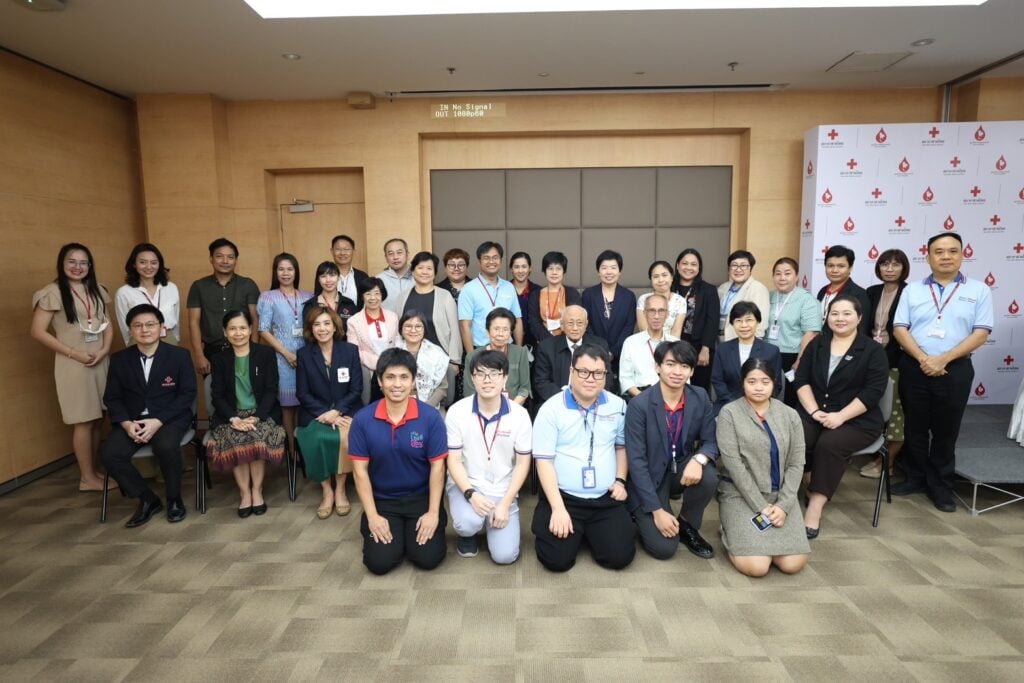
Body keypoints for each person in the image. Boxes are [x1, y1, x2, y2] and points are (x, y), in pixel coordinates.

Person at [892, 232, 993, 512]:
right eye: (939, 252)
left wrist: (943, 360)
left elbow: (981, 332)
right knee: (914, 426)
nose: (946, 256)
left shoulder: (979, 290)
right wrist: (924, 358)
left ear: (962, 255)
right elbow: (900, 328)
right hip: (915, 365)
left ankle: (940, 486)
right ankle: (914, 477)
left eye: (952, 251)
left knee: (946, 430)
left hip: (955, 368)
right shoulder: (912, 290)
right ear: (928, 257)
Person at [531, 343, 635, 572]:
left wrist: (620, 480)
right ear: (572, 371)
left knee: (619, 557)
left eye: (598, 373)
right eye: (584, 372)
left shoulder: (618, 405)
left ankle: (589, 533)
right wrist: (558, 509)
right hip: (564, 497)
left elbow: (621, 447)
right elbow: (544, 462)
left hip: (605, 498)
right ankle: (568, 525)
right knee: (556, 561)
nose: (591, 379)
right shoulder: (551, 409)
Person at [794, 294, 888, 538]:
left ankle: (815, 506)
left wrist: (841, 416)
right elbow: (801, 380)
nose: (840, 318)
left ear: (859, 318)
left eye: (847, 313)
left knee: (829, 444)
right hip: (816, 411)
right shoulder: (817, 344)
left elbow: (873, 392)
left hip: (857, 419)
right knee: (796, 435)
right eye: (834, 313)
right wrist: (814, 411)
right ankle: (809, 480)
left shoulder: (872, 350)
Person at [349, 348, 449, 575]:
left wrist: (433, 513)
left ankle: (408, 538)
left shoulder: (430, 418)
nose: (397, 384)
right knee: (379, 563)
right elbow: (359, 472)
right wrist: (373, 516)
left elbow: (438, 467)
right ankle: (396, 537)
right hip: (383, 500)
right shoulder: (363, 420)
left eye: (404, 377)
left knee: (428, 558)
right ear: (380, 381)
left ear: (413, 381)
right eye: (390, 377)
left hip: (421, 498)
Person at [99, 304, 196, 527]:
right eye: (138, 326)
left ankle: (174, 499)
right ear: (130, 330)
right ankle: (147, 499)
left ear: (161, 327)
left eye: (150, 324)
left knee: (166, 446)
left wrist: (158, 421)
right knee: (110, 454)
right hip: (133, 420)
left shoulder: (179, 356)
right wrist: (126, 424)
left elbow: (187, 394)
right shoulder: (120, 359)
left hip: (169, 418)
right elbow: (112, 397)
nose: (145, 330)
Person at [31, 243, 115, 492]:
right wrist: (74, 353)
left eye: (83, 263)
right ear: (62, 263)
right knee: (84, 420)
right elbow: (37, 331)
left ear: (90, 266)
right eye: (72, 261)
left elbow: (108, 325)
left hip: (99, 360)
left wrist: (104, 350)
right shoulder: (52, 292)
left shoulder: (97, 289)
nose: (78, 267)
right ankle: (86, 478)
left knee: (99, 417)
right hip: (74, 364)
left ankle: (94, 471)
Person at [625, 340, 719, 560]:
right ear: (657, 367)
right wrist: (657, 511)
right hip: (650, 477)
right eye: (670, 364)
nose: (677, 372)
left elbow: (711, 440)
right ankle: (638, 513)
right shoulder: (639, 405)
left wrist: (699, 459)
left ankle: (687, 524)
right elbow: (636, 463)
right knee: (664, 549)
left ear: (692, 371)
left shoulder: (699, 397)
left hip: (681, 469)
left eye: (684, 366)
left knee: (708, 474)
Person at [716, 358, 809, 577]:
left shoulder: (790, 415)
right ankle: (728, 528)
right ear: (742, 383)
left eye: (765, 382)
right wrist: (761, 506)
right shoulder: (729, 414)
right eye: (752, 381)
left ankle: (762, 538)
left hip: (780, 495)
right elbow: (734, 466)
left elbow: (796, 463)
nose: (758, 387)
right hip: (740, 494)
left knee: (793, 564)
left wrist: (784, 506)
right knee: (757, 567)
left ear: (774, 383)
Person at [445, 350, 533, 563]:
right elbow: (453, 461)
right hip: (467, 484)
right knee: (468, 523)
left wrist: (506, 502)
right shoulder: (457, 412)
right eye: (481, 374)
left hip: (502, 488)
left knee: (505, 556)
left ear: (505, 378)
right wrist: (471, 494)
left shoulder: (520, 415)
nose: (487, 380)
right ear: (472, 378)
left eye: (494, 374)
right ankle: (469, 533)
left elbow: (523, 464)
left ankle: (490, 518)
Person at [206, 310, 286, 517]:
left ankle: (257, 490)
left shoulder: (265, 354)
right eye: (232, 329)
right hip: (231, 415)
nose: (238, 333)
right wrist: (234, 419)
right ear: (225, 332)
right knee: (236, 437)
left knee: (255, 436)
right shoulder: (219, 359)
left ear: (250, 330)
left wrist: (257, 417)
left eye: (242, 328)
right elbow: (217, 396)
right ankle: (245, 493)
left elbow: (271, 390)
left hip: (262, 413)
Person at [295, 306, 364, 519]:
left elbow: (356, 389)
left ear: (335, 327)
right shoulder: (304, 354)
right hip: (316, 413)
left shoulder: (350, 351)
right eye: (317, 324)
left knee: (344, 437)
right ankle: (327, 490)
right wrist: (325, 413)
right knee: (317, 439)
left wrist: (337, 411)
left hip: (347, 409)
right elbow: (302, 393)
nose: (322, 328)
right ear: (311, 329)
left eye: (327, 323)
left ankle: (340, 489)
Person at [860, 249, 910, 479]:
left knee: (895, 414)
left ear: (904, 268)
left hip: (896, 361)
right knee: (874, 409)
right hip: (871, 360)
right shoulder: (871, 292)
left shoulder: (910, 293)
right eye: (884, 264)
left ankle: (886, 463)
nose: (889, 269)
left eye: (895, 264)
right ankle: (876, 456)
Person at [257, 253, 313, 454]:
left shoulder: (308, 296)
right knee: (288, 408)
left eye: (290, 269)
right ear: (275, 272)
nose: (286, 273)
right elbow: (263, 330)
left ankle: (306, 449)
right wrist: (287, 354)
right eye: (281, 269)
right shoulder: (268, 297)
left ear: (296, 272)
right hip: (282, 360)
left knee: (307, 404)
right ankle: (291, 451)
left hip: (307, 358)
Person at [394, 251, 462, 403]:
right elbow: (398, 330)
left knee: (436, 399)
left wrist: (454, 361)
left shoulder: (445, 296)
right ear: (413, 271)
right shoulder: (403, 297)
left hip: (438, 360)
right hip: (408, 358)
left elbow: (455, 330)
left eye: (429, 268)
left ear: (435, 273)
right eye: (420, 268)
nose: (425, 272)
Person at [187, 238, 260, 376]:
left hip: (243, 349)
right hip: (212, 351)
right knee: (214, 388)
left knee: (245, 387)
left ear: (236, 260)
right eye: (219, 256)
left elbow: (255, 319)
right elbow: (193, 322)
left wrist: (254, 350)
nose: (225, 261)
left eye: (230, 257)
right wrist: (199, 355)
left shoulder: (248, 284)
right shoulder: (199, 286)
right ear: (211, 258)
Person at [764, 257, 820, 407]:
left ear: (797, 277)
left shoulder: (806, 299)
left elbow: (811, 333)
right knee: (768, 394)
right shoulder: (769, 296)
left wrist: (800, 360)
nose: (782, 278)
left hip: (793, 356)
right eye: (778, 273)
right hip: (769, 353)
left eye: (787, 273)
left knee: (791, 397)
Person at [712, 301, 782, 413]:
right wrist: (735, 405)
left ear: (757, 321)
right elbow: (717, 380)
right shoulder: (723, 349)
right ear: (732, 323)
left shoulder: (771, 351)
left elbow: (776, 384)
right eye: (738, 321)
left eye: (749, 320)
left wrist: (757, 404)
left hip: (760, 407)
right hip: (728, 405)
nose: (744, 325)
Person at [532, 305, 610, 403]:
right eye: (570, 323)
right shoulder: (547, 347)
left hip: (591, 400)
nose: (575, 328)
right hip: (557, 401)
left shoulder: (599, 346)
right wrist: (566, 399)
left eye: (579, 323)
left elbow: (606, 377)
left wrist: (586, 398)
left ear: (586, 324)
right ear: (562, 325)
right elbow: (542, 382)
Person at [458, 241, 524, 351]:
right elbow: (464, 326)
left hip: (507, 347)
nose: (491, 261)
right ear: (479, 261)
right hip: (481, 349)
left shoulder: (509, 287)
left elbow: (517, 320)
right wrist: (471, 356)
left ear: (501, 261)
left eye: (495, 258)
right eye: (486, 258)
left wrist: (518, 351)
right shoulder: (468, 289)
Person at [673, 248, 720, 392]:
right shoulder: (669, 287)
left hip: (698, 347)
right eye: (684, 263)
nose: (689, 267)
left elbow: (712, 321)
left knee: (698, 389)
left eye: (693, 264)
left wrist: (706, 348)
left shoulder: (708, 290)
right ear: (677, 265)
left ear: (699, 268)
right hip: (672, 344)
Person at [581, 249, 637, 371]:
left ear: (619, 271)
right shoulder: (588, 295)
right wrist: (599, 350)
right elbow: (586, 325)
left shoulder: (628, 296)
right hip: (593, 355)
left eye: (613, 268)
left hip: (620, 356)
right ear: (598, 271)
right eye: (604, 268)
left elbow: (629, 327)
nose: (609, 272)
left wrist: (613, 353)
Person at [115, 242, 181, 345]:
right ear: (134, 264)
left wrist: (175, 338)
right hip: (139, 341)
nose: (149, 267)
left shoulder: (171, 288)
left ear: (159, 264)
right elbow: (124, 325)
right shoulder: (124, 292)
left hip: (168, 338)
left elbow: (176, 318)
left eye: (154, 262)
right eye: (143, 262)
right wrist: (130, 345)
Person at [463, 308, 531, 406]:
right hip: (482, 408)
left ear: (510, 333)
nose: (500, 334)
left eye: (505, 330)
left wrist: (510, 408)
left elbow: (524, 388)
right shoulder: (472, 357)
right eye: (496, 329)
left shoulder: (520, 353)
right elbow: (470, 392)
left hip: (513, 406)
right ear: (488, 332)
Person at [346, 277, 398, 403]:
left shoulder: (393, 317)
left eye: (377, 293)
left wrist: (391, 362)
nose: (373, 298)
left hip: (393, 368)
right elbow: (354, 351)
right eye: (368, 294)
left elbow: (398, 342)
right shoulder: (354, 321)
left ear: (382, 295)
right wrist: (379, 363)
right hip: (369, 371)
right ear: (362, 296)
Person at [619, 294, 679, 399]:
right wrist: (644, 398)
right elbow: (625, 379)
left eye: (661, 311)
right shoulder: (631, 342)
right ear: (644, 313)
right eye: (652, 311)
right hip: (639, 396)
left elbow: (684, 378)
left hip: (670, 397)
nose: (656, 316)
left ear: (667, 314)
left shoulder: (676, 343)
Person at [395, 310, 450, 411]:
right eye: (408, 326)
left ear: (424, 329)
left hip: (429, 407)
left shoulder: (436, 354)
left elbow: (442, 387)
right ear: (401, 329)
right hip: (397, 405)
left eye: (418, 326)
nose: (413, 330)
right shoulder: (392, 352)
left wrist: (426, 408)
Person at [527, 250, 582, 344]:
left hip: (567, 342)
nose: (554, 272)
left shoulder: (572, 293)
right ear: (544, 271)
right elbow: (534, 323)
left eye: (558, 269)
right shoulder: (535, 295)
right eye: (550, 268)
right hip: (544, 343)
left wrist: (562, 342)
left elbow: (575, 320)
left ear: (564, 271)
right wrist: (550, 342)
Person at [816, 245, 872, 336]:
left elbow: (861, 330)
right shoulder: (823, 291)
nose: (835, 270)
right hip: (820, 343)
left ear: (850, 268)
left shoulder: (859, 294)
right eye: (830, 266)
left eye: (841, 266)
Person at [718, 249, 770, 341]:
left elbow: (760, 323)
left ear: (751, 269)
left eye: (743, 266)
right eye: (734, 265)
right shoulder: (723, 288)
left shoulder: (758, 288)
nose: (738, 269)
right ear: (729, 269)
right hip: (718, 340)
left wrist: (752, 344)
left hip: (741, 340)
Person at [637, 260, 686, 338]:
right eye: (656, 276)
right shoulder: (643, 299)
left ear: (672, 278)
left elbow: (676, 331)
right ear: (651, 280)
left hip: (671, 344)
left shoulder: (680, 301)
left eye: (664, 275)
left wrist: (669, 346)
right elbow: (644, 330)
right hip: (647, 343)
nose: (660, 280)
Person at [330, 234, 369, 318]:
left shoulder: (363, 277)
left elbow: (367, 303)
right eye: (338, 249)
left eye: (347, 249)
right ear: (332, 251)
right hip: (331, 323)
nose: (342, 253)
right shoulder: (325, 276)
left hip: (357, 322)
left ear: (353, 252)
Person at [509, 251, 540, 349]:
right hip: (507, 343)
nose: (520, 270)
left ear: (530, 268)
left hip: (534, 344)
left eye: (524, 266)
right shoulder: (503, 289)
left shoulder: (538, 291)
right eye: (516, 267)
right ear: (511, 269)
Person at [377, 237, 413, 313]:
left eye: (399, 252)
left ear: (407, 255)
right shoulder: (378, 280)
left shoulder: (418, 277)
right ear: (386, 258)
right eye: (390, 254)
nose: (395, 257)